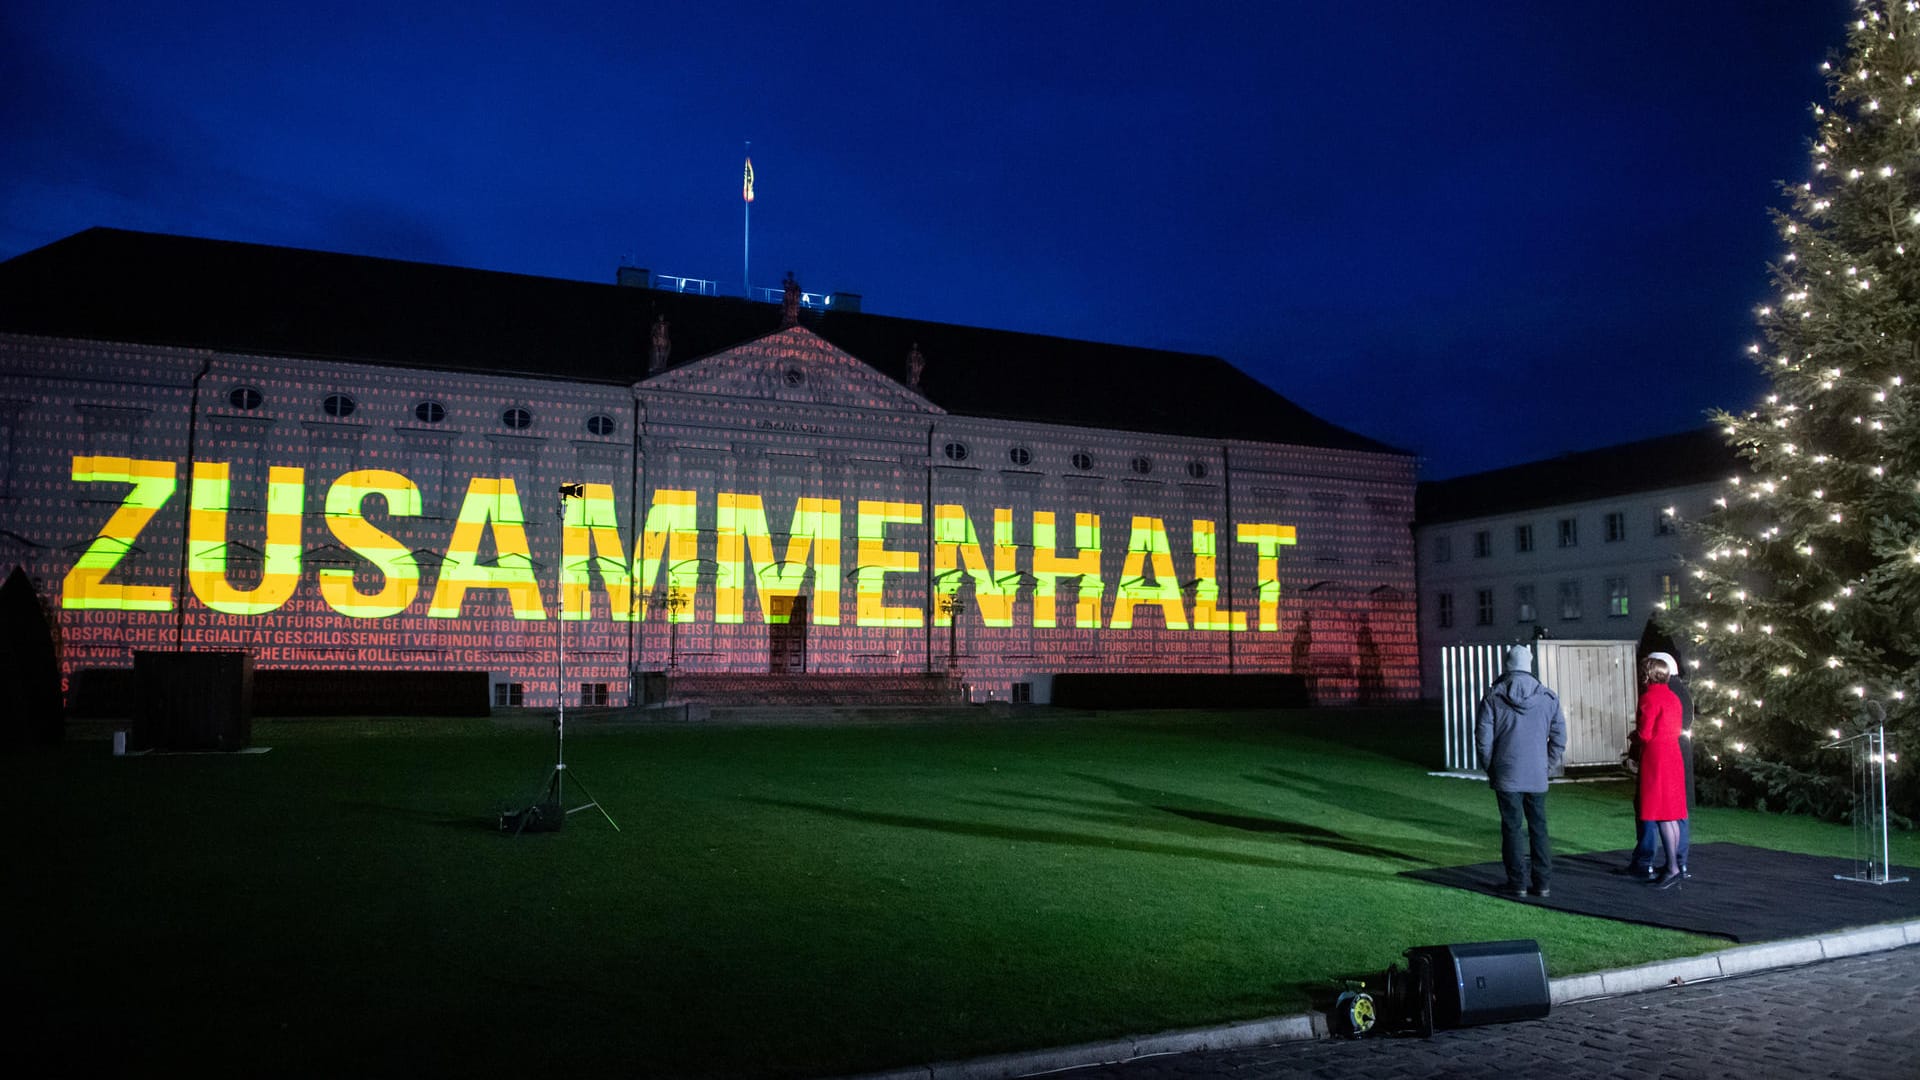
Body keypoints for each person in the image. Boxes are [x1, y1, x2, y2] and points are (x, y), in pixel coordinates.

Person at [1475, 644, 1568, 898]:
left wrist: (1492, 767)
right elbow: (1560, 737)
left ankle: (1516, 883)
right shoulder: (1548, 698)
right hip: (1536, 774)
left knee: (1512, 828)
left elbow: (1483, 740)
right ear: (1529, 666)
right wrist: (1546, 765)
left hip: (1506, 774)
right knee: (1539, 827)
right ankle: (1543, 884)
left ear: (1507, 665)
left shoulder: (1493, 697)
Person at [1623, 651, 1693, 879]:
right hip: (1673, 754)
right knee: (1671, 814)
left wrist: (1634, 736)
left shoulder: (1649, 698)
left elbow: (1645, 733)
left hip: (1655, 757)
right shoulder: (1674, 697)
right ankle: (1676, 863)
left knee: (1655, 811)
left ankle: (1659, 865)